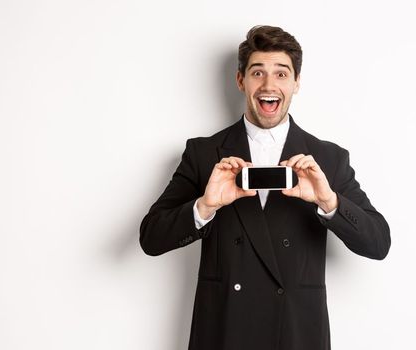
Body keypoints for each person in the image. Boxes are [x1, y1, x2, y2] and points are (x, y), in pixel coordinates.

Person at [139, 25, 391, 350]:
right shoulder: (204, 154)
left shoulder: (328, 158)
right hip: (224, 332)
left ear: (296, 83)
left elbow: (378, 242)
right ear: (241, 80)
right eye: (258, 73)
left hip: (297, 336)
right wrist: (204, 207)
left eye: (282, 74)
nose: (269, 84)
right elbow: (151, 239)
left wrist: (329, 202)